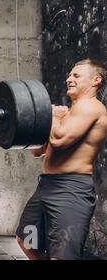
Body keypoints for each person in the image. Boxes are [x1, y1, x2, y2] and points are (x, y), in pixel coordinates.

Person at [16, 59, 107, 260]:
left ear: (96, 80)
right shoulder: (69, 112)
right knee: (26, 240)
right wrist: (37, 122)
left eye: (76, 76)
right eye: (69, 75)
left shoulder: (90, 107)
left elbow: (59, 140)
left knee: (62, 255)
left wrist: (53, 117)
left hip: (71, 190)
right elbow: (38, 151)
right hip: (46, 186)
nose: (69, 79)